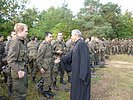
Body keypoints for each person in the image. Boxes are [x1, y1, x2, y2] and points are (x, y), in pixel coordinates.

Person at [7, 23, 29, 100]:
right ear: (20, 31)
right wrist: (18, 71)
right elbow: (10, 60)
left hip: (22, 70)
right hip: (18, 72)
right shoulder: (16, 42)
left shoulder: (22, 41)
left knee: (23, 91)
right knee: (19, 95)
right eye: (26, 31)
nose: (27, 33)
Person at [36, 32, 60, 99]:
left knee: (50, 78)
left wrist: (55, 59)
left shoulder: (50, 44)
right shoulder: (43, 45)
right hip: (45, 66)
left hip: (50, 65)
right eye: (50, 36)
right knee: (46, 79)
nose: (52, 38)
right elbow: (38, 57)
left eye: (52, 36)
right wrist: (40, 68)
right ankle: (45, 92)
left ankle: (49, 90)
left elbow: (50, 55)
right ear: (46, 37)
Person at [70, 29, 91, 100]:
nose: (71, 37)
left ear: (76, 35)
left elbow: (84, 60)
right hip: (77, 72)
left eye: (72, 35)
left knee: (81, 92)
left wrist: (83, 75)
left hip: (80, 74)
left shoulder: (81, 44)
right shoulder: (77, 44)